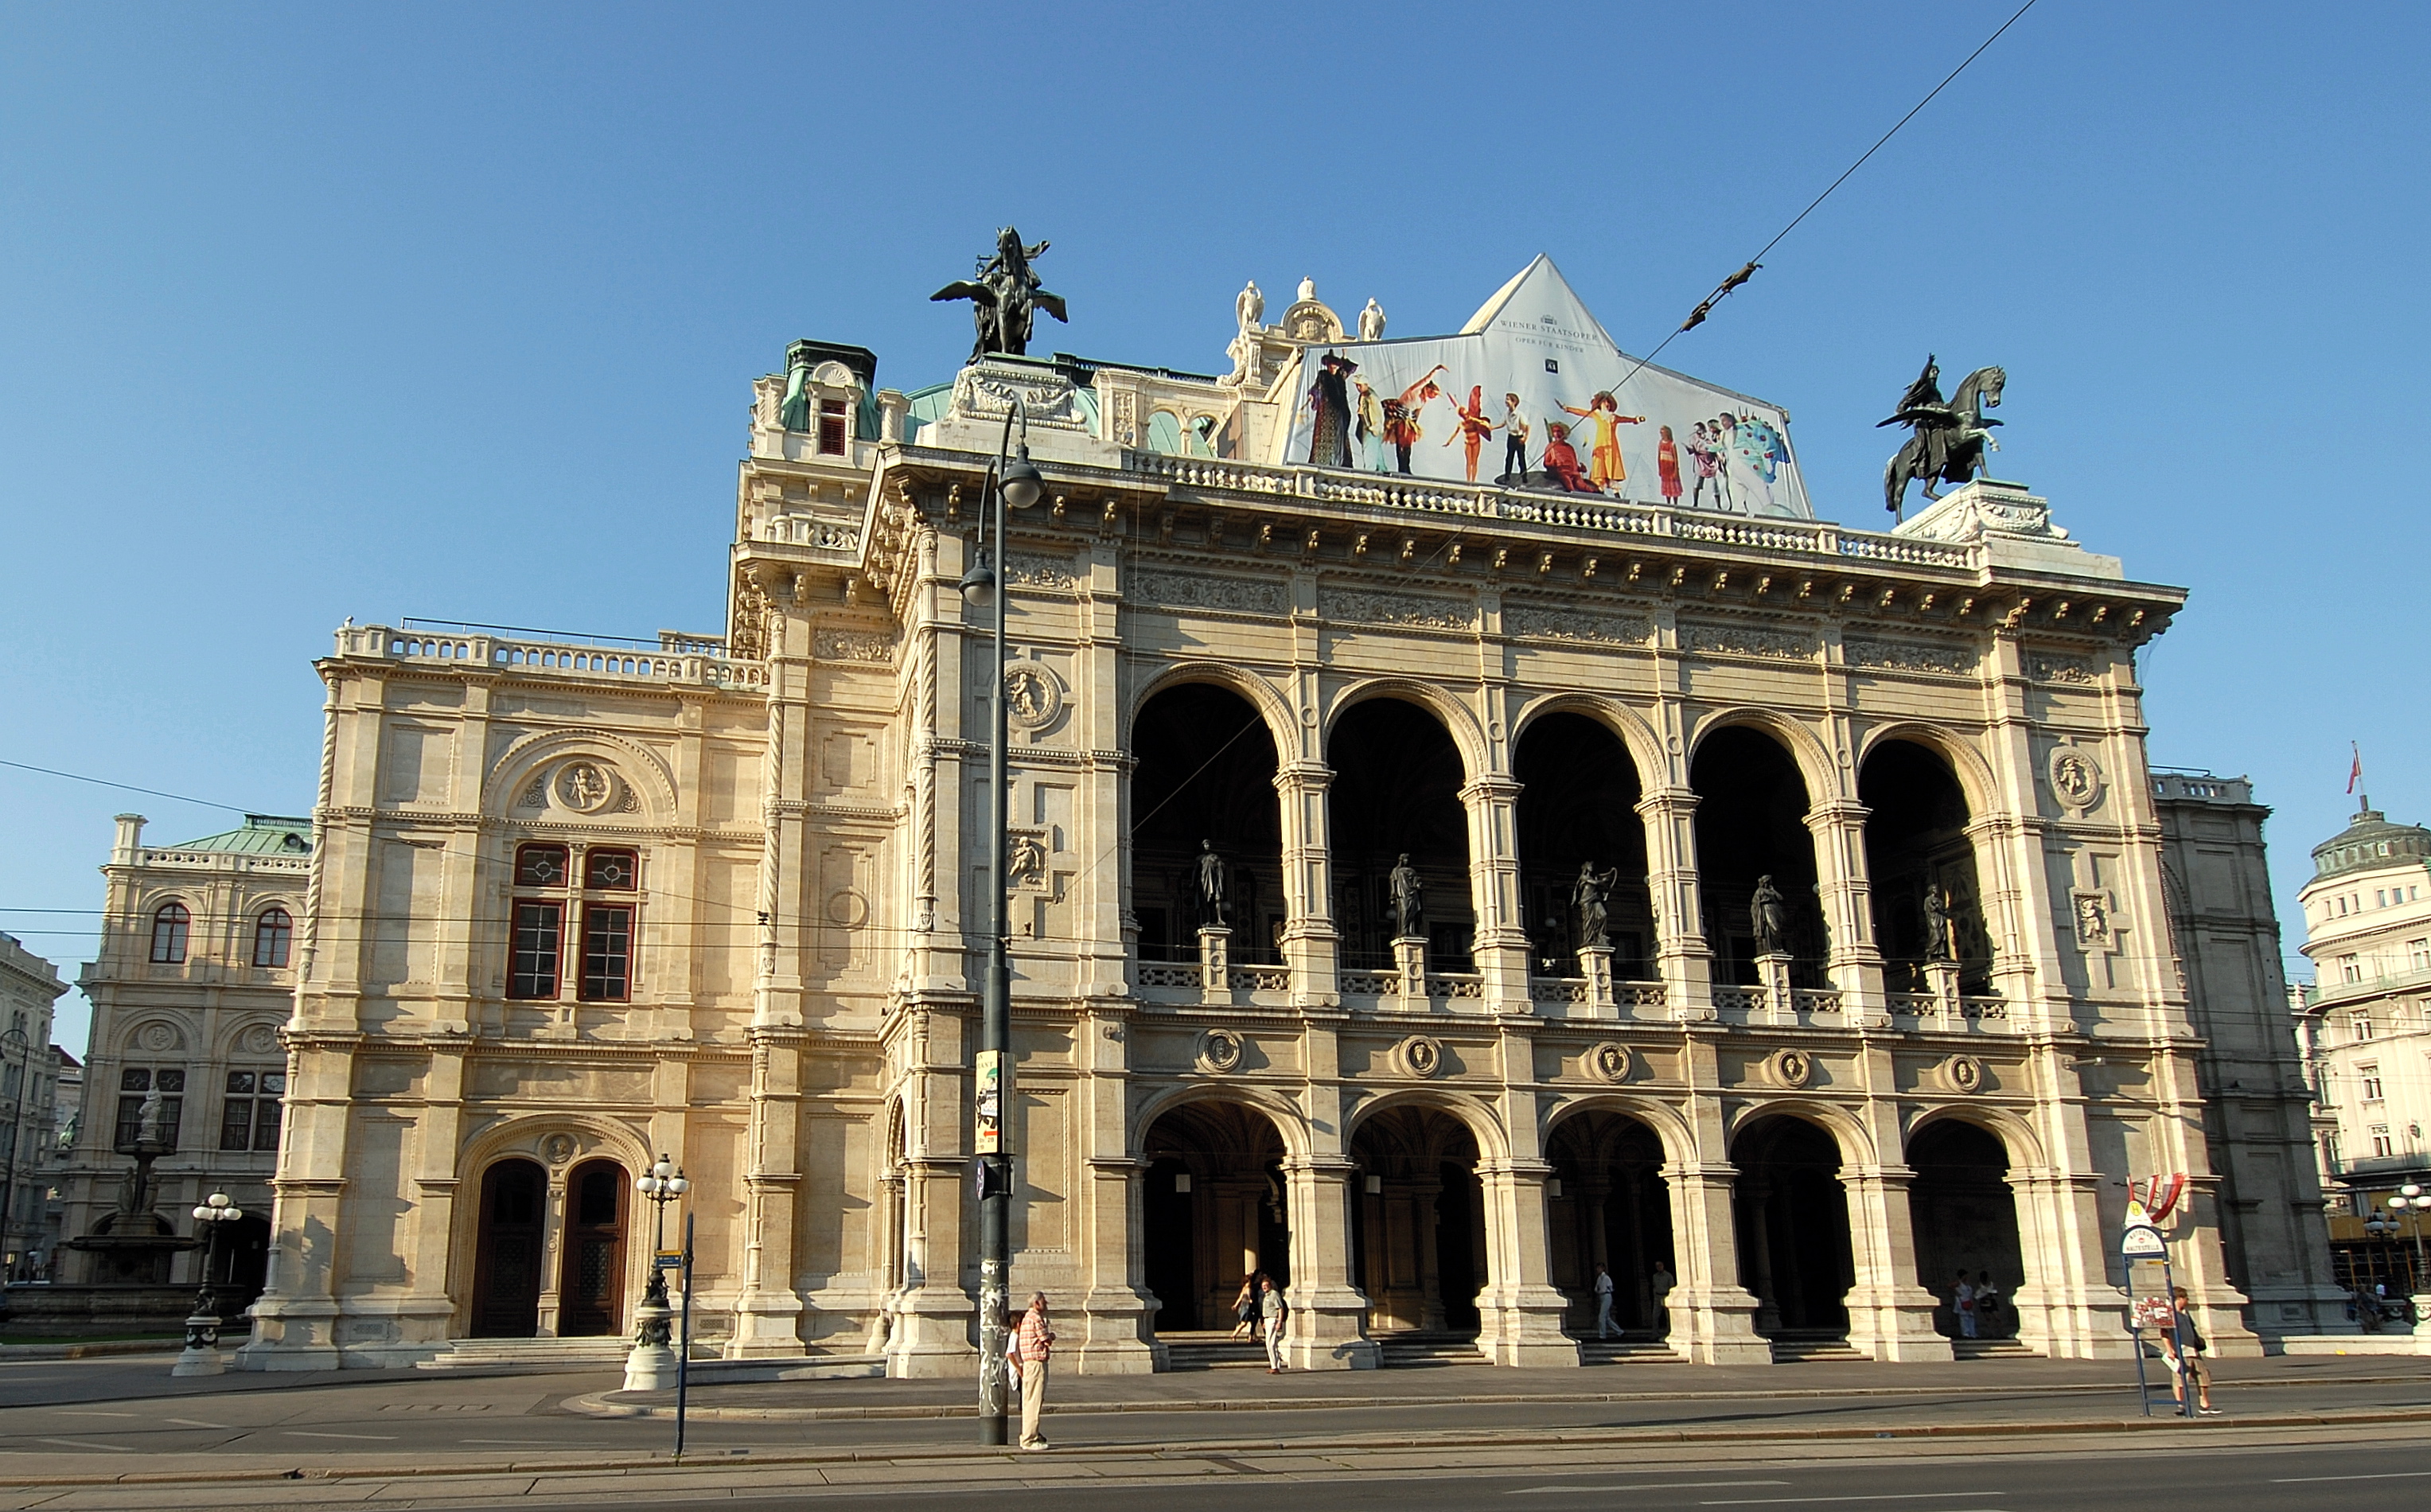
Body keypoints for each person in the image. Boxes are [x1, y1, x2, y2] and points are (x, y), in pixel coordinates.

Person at [1559, 392, 1647, 492]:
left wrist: (1636, 419)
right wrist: (1568, 409)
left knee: (1612, 462)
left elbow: (1625, 419)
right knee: (1600, 463)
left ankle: (1612, 484)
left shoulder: (1614, 417)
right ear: (1600, 403)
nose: (1607, 404)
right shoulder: (1597, 414)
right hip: (1601, 444)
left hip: (1613, 445)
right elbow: (1582, 412)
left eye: (1608, 402)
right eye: (1605, 402)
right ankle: (1600, 484)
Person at [2160, 1286, 2218, 1416]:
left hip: (2194, 1351)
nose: (2187, 1301)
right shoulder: (2171, 1315)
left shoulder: (2185, 1314)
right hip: (2180, 1352)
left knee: (2203, 1378)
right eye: (2186, 1298)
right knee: (2180, 1380)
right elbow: (2164, 1333)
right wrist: (2170, 1351)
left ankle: (2205, 1404)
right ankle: (2181, 1405)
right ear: (2179, 1298)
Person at [1015, 1292, 1056, 1449]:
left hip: (1028, 1364)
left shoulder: (1026, 1318)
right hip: (1036, 1364)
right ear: (1037, 1304)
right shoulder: (1036, 1319)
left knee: (1028, 1401)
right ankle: (1029, 1440)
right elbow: (1046, 1339)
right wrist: (1051, 1336)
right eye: (1044, 1301)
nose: (1046, 1304)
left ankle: (1027, 1436)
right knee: (1034, 1402)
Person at [1441, 384, 1502, 482]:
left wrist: (1483, 423)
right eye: (1463, 414)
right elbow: (1455, 434)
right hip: (1468, 443)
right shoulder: (1461, 424)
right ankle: (1469, 481)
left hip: (1476, 442)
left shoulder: (1473, 420)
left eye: (1466, 413)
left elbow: (1483, 422)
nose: (1466, 415)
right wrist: (1448, 442)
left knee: (1475, 462)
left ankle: (1473, 480)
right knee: (1469, 462)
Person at [1539, 422, 1596, 493]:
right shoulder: (1551, 447)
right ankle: (1572, 493)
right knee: (1566, 480)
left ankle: (1594, 492)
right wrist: (1551, 463)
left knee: (1580, 484)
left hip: (1572, 472)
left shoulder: (1569, 447)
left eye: (1559, 431)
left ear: (1564, 433)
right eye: (1554, 431)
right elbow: (1546, 463)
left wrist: (1580, 469)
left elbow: (1573, 464)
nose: (1557, 433)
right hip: (1560, 471)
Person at [1258, 1272, 1290, 1373]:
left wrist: (1279, 1321)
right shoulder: (1266, 1296)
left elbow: (1280, 1309)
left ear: (1270, 1286)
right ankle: (1275, 1365)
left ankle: (1274, 1366)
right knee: (1273, 1343)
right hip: (1268, 1320)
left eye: (1266, 1286)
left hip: (1273, 1319)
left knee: (1270, 1343)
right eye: (1263, 1286)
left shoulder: (1274, 1294)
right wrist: (1264, 1321)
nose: (1265, 1287)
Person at [1501, 394, 1530, 481]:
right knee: (1509, 457)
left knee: (1521, 458)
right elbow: (1503, 424)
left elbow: (1528, 427)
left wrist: (1525, 438)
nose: (1506, 401)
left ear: (1514, 402)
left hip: (1519, 438)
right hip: (1511, 438)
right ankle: (1507, 475)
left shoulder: (1520, 414)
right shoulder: (1506, 414)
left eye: (1508, 399)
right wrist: (1492, 427)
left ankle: (1524, 477)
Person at [1655, 424, 1684, 505]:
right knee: (1666, 485)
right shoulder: (1660, 443)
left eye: (1663, 433)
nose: (1661, 435)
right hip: (1664, 468)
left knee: (1674, 485)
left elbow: (1675, 458)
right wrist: (1660, 469)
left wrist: (1676, 471)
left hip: (1671, 468)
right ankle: (1668, 502)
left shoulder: (1672, 444)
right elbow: (1659, 456)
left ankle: (1675, 503)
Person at [1649, 1262, 1676, 1339]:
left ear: (1663, 1266)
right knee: (1655, 1316)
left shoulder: (1668, 1276)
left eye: (1660, 1266)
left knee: (1668, 1316)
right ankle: (1655, 1333)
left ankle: (1670, 1332)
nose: (1659, 1267)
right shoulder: (1655, 1276)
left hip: (1666, 1295)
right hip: (1658, 1297)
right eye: (1657, 1266)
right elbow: (1654, 1286)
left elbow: (1672, 1286)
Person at [1229, 1273, 1259, 1342]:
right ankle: (1234, 1334)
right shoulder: (1247, 1289)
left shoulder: (1244, 1289)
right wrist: (1250, 1300)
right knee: (1244, 1323)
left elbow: (1240, 1298)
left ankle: (1252, 1337)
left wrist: (1236, 1305)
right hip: (1247, 1307)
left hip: (1245, 1307)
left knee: (1252, 1322)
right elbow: (1245, 1297)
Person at [1592, 1263, 1617, 1339]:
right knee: (1607, 1317)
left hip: (1607, 1295)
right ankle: (1619, 1331)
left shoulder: (1606, 1278)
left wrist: (1600, 1291)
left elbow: (1606, 1288)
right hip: (1602, 1296)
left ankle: (1602, 1335)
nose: (1598, 1270)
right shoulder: (1599, 1278)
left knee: (1602, 1316)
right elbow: (1596, 1288)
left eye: (1599, 1268)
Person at [1973, 1270, 2001, 1335]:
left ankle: (2000, 1332)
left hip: (1991, 1301)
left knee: (1997, 1317)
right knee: (1988, 1318)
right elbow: (1977, 1295)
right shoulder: (1979, 1285)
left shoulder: (1991, 1284)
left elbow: (1996, 1292)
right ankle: (1992, 1333)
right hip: (1984, 1302)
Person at [1954, 1268, 1977, 1338]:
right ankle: (1965, 1333)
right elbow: (1949, 1286)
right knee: (1964, 1318)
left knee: (1971, 1317)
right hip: (1962, 1301)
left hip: (1969, 1301)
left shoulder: (1967, 1284)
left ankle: (1972, 1333)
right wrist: (1956, 1293)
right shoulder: (1959, 1283)